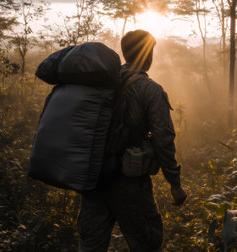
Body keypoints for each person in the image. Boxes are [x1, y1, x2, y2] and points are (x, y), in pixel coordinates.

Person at [77, 30, 187, 252]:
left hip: (95, 179)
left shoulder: (102, 84)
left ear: (125, 53)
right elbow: (164, 140)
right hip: (130, 184)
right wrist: (175, 185)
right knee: (148, 244)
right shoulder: (150, 90)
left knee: (90, 246)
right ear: (148, 55)